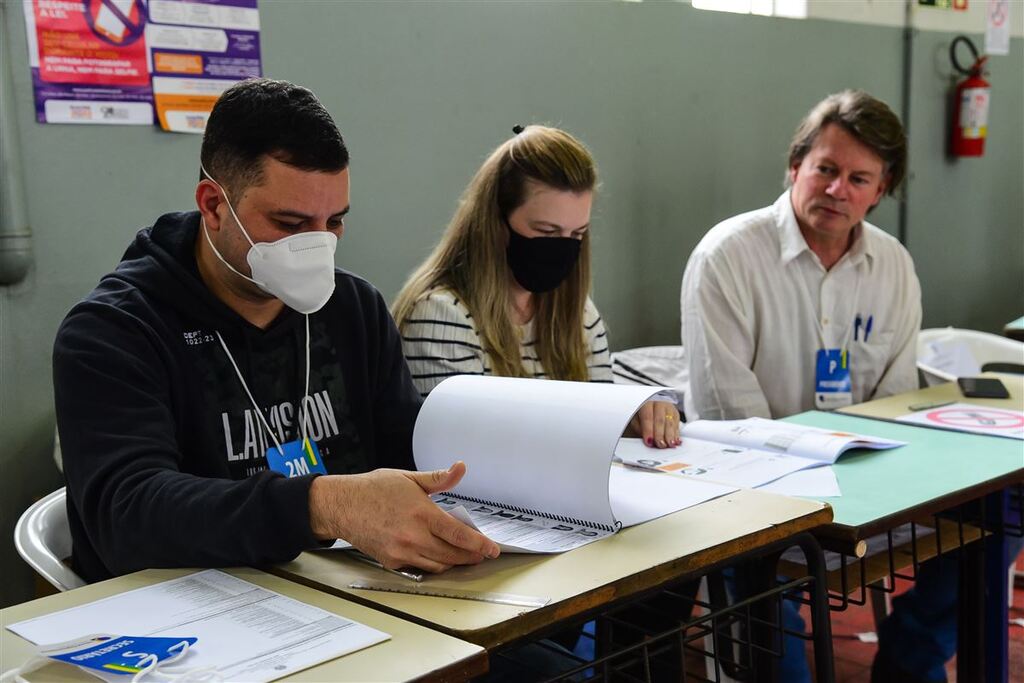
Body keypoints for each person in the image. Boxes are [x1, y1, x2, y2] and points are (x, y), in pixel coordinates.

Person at [53, 78, 499, 584]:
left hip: (354, 595)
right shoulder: (114, 331)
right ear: (214, 205)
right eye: (290, 223)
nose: (317, 246)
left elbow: (412, 453)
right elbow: (128, 517)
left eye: (334, 222)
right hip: (194, 616)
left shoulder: (353, 308)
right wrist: (324, 505)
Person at [681, 89, 1022, 683]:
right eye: (826, 170)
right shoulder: (727, 257)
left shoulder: (892, 266)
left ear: (881, 190)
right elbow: (728, 419)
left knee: (1009, 506)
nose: (839, 190)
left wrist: (867, 489)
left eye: (859, 179)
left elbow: (891, 408)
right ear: (796, 167)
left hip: (866, 485)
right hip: (750, 496)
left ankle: (911, 653)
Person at [393, 125, 680, 447]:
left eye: (577, 235)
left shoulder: (579, 313)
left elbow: (599, 430)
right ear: (495, 222)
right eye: (546, 231)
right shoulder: (442, 315)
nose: (562, 248)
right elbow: (460, 452)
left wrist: (635, 416)